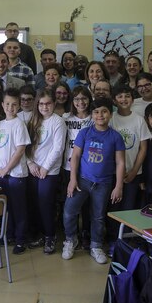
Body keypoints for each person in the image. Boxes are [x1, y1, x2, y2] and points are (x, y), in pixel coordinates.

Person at [62, 97, 125, 264]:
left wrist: (118, 186)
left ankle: (96, 246)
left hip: (103, 183)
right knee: (69, 211)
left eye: (104, 111)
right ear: (92, 115)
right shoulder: (85, 133)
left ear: (110, 114)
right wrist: (72, 179)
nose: (100, 115)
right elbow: (75, 156)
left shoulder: (115, 137)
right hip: (82, 181)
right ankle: (70, 240)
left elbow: (120, 162)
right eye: (96, 112)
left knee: (98, 216)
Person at [26, 89, 67, 255]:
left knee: (45, 204)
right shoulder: (33, 120)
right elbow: (26, 144)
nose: (44, 107)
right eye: (41, 103)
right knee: (35, 204)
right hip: (33, 168)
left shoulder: (58, 122)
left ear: (54, 104)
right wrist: (30, 163)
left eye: (48, 103)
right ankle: (41, 234)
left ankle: (50, 236)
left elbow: (58, 148)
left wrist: (45, 168)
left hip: (49, 171)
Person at [0, 88, 31, 255]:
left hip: (15, 174)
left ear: (19, 106)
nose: (10, 107)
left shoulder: (19, 124)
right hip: (1, 173)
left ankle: (20, 239)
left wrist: (6, 169)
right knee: (6, 207)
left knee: (19, 209)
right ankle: (7, 235)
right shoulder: (0, 124)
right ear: (2, 105)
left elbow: (20, 150)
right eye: (7, 104)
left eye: (14, 104)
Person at [110, 84, 151, 214]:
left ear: (133, 100)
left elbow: (143, 148)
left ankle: (126, 234)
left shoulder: (139, 120)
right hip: (112, 173)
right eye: (120, 96)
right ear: (114, 100)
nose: (124, 99)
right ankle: (113, 234)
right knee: (113, 206)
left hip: (133, 173)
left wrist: (134, 171)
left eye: (127, 96)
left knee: (128, 207)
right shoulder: (111, 118)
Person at [61, 85, 93, 249]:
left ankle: (86, 233)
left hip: (89, 169)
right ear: (72, 101)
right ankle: (70, 236)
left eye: (84, 98)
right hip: (68, 167)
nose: (81, 102)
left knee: (88, 206)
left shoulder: (94, 118)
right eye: (77, 99)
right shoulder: (66, 118)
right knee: (70, 204)